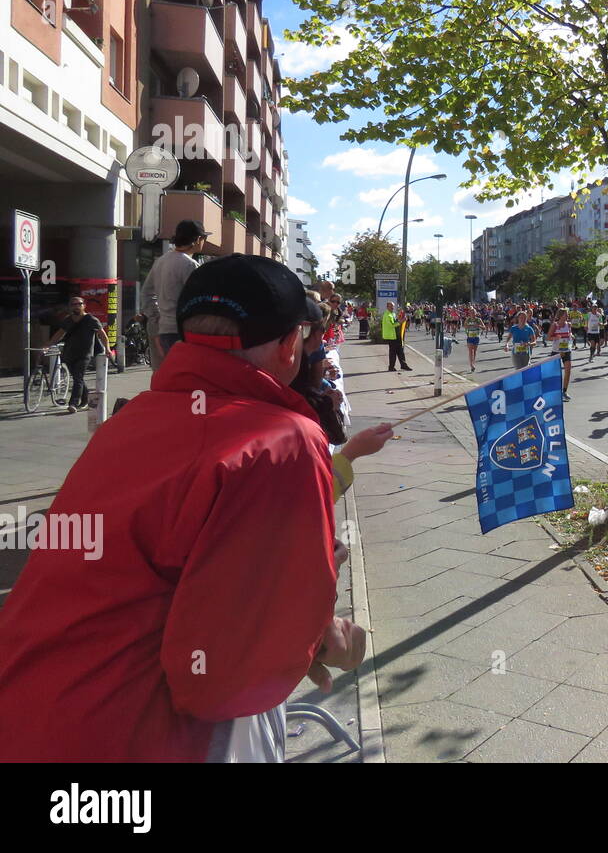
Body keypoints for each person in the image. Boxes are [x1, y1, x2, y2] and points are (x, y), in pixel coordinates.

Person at [0, 254, 392, 762]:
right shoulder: (281, 440)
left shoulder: (131, 419)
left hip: (32, 716)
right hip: (140, 738)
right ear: (291, 344)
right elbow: (222, 682)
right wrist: (322, 633)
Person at [141, 219, 209, 367]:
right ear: (197, 239)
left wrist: (156, 316)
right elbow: (199, 300)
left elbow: (146, 293)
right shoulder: (190, 265)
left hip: (164, 329)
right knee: (185, 376)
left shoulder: (161, 261)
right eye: (204, 238)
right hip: (183, 332)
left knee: (167, 374)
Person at [44, 295, 111, 412]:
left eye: (79, 304)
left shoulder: (91, 319)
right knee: (77, 377)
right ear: (70, 307)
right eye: (73, 304)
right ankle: (86, 399)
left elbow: (103, 335)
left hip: (85, 354)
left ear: (84, 306)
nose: (76, 306)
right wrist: (48, 345)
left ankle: (73, 403)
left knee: (78, 376)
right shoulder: (68, 320)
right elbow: (59, 334)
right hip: (70, 353)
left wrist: (108, 349)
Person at [549, 307, 574, 399]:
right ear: (561, 315)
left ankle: (564, 391)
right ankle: (554, 391)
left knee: (568, 371)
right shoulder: (554, 325)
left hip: (567, 350)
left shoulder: (569, 324)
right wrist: (555, 337)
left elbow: (570, 333)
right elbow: (548, 337)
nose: (567, 316)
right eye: (565, 314)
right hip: (556, 351)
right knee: (555, 372)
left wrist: (572, 336)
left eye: (567, 314)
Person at [381, 302, 412, 372]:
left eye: (393, 307)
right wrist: (401, 321)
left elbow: (395, 320)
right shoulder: (387, 315)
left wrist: (399, 318)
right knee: (393, 352)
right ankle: (391, 367)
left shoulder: (392, 313)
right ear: (387, 307)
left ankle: (403, 365)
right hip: (391, 336)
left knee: (400, 351)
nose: (392, 308)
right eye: (391, 307)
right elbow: (392, 325)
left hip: (395, 335)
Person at [463, 307, 483, 372]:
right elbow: (465, 326)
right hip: (470, 337)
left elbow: (484, 327)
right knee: (470, 351)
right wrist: (468, 326)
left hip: (476, 337)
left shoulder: (478, 320)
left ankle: (473, 362)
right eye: (471, 312)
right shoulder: (468, 319)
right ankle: (471, 365)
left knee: (474, 351)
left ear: (476, 313)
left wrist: (478, 326)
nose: (472, 313)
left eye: (474, 312)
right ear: (469, 313)